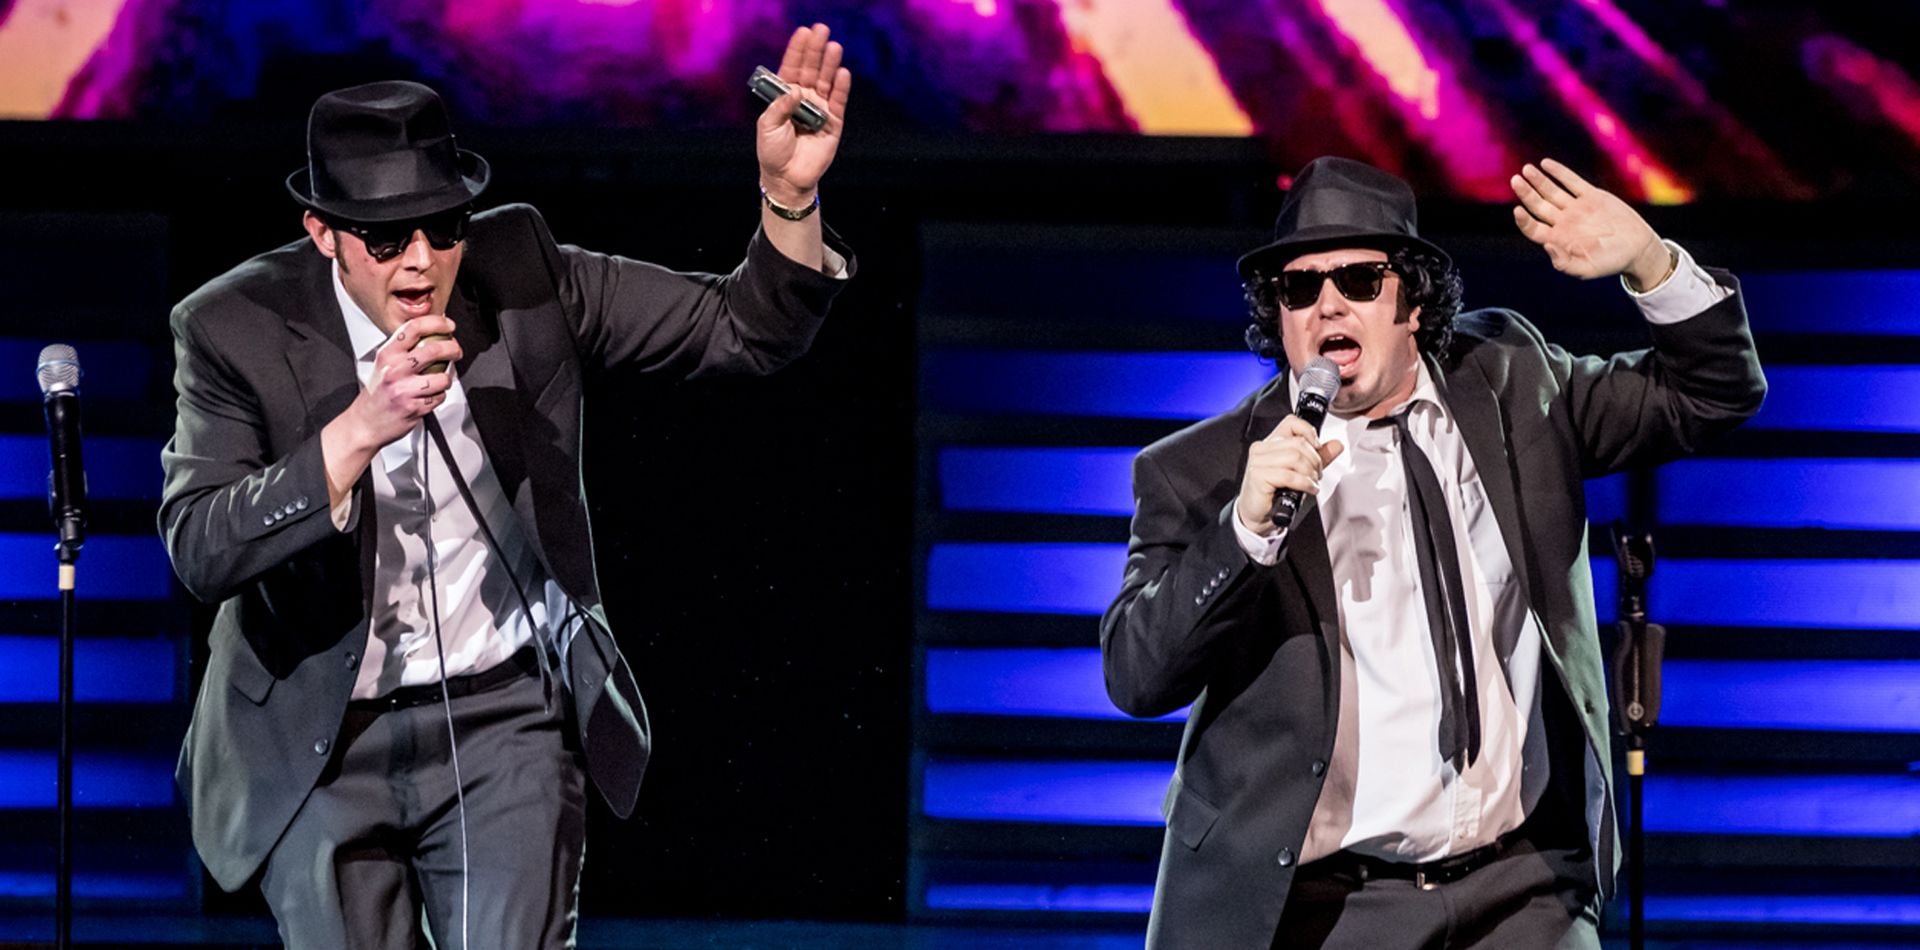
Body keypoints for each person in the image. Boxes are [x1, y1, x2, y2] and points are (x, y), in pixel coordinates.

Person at [157, 25, 853, 949]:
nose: (420, 263)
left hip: (501, 722)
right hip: (319, 742)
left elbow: (740, 329)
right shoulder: (231, 327)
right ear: (322, 234)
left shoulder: (519, 270)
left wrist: (789, 197)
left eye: (442, 228)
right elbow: (200, 545)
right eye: (384, 236)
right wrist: (357, 432)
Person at [1101, 156, 1765, 948]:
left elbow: (1712, 393)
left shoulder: (1513, 382)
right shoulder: (1204, 469)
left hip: (1524, 888)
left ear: (1412, 299)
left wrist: (1652, 262)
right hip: (1331, 905)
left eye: (1357, 279)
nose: (1327, 305)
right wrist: (1245, 532)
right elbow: (1137, 676)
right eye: (1299, 288)